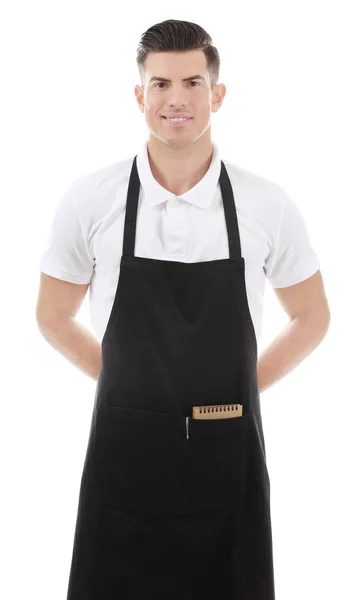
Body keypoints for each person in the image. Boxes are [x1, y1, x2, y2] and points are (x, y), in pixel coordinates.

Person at [36, 18, 330, 600]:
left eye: (193, 83)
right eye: (162, 84)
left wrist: (243, 386)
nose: (177, 99)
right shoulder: (90, 199)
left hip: (227, 463)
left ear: (216, 95)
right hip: (124, 466)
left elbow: (313, 316)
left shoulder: (265, 204)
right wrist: (128, 385)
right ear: (139, 94)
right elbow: (51, 313)